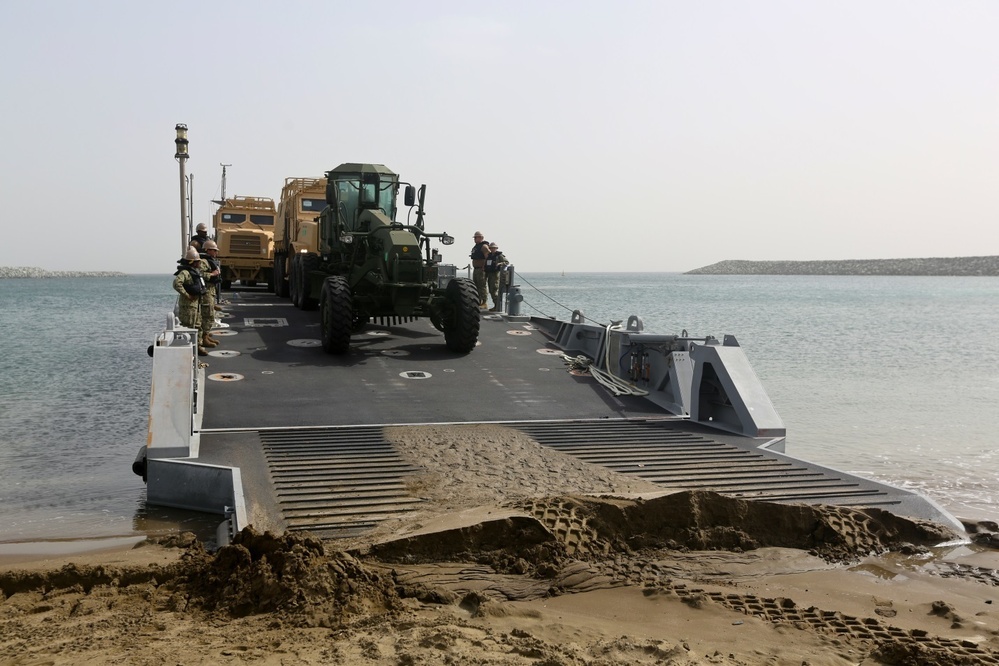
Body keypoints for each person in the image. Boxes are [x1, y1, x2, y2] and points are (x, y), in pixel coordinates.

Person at [173, 246, 208, 356]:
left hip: (195, 305)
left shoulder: (194, 272)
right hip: (188, 306)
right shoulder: (185, 273)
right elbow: (176, 283)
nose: (199, 263)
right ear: (193, 262)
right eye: (197, 261)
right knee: (188, 327)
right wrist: (187, 295)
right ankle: (188, 351)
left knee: (197, 326)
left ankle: (198, 346)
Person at [199, 240, 223, 349]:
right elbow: (200, 274)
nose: (216, 253)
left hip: (211, 291)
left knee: (210, 314)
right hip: (206, 291)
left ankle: (206, 335)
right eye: (214, 250)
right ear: (208, 250)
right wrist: (212, 274)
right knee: (207, 314)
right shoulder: (204, 261)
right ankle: (203, 338)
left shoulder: (210, 261)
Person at [484, 242, 509, 312]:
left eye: (494, 248)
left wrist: (500, 263)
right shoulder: (489, 256)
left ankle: (497, 306)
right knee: (491, 290)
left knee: (494, 289)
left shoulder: (499, 256)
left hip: (495, 274)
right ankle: (496, 305)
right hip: (489, 274)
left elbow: (507, 262)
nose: (493, 249)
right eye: (491, 248)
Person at [469, 231, 491, 308]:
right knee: (476, 285)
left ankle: (484, 302)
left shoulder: (484, 247)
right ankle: (479, 301)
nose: (474, 239)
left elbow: (488, 257)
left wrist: (484, 266)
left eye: (476, 237)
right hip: (476, 269)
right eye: (474, 237)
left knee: (482, 285)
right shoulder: (476, 247)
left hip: (481, 269)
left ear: (481, 238)